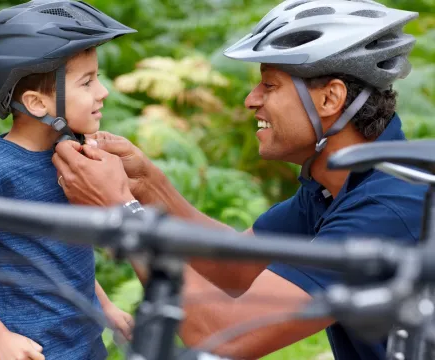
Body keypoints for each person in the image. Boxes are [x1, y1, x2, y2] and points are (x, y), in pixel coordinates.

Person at [52, 0, 426, 359]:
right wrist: (147, 185)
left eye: (270, 85)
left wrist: (124, 212)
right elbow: (237, 268)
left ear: (330, 99)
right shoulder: (339, 187)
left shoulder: (390, 206)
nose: (251, 100)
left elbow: (222, 337)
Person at [0, 1, 137, 359]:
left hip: (87, 346)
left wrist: (107, 310)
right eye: (87, 82)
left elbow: (62, 258)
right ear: (37, 103)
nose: (103, 92)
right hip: (38, 353)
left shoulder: (68, 159)